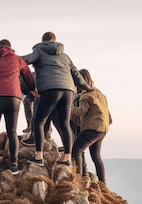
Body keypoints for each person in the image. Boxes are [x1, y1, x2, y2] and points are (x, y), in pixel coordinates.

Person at [22, 31, 93, 167]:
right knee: (64, 123)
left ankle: (38, 156)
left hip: (50, 89)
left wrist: (10, 58)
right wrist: (88, 88)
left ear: (43, 41)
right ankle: (67, 157)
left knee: (39, 122)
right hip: (68, 91)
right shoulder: (65, 56)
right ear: (55, 41)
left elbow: (25, 60)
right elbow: (77, 75)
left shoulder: (39, 51)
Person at [0, 39, 37, 178]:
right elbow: (27, 75)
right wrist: (33, 90)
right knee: (12, 132)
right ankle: (14, 165)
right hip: (13, 98)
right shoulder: (17, 59)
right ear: (10, 47)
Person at [71, 69, 112, 183]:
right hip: (103, 129)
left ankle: (78, 180)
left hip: (92, 129)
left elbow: (81, 111)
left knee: (77, 150)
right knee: (96, 156)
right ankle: (102, 183)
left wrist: (68, 108)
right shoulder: (100, 94)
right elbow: (109, 115)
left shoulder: (86, 96)